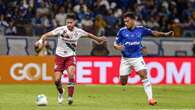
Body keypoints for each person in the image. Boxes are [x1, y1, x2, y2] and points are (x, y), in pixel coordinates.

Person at [35, 13, 106, 105]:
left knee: (71, 75)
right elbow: (45, 35)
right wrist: (41, 41)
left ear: (75, 22)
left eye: (71, 22)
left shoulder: (78, 31)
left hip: (70, 57)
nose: (69, 24)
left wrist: (98, 39)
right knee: (57, 80)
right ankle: (61, 93)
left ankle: (70, 97)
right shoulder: (61, 30)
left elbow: (88, 35)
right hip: (59, 57)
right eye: (67, 22)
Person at [113, 12, 174, 105]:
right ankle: (127, 73)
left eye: (127, 21)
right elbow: (115, 44)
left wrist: (165, 34)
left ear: (133, 20)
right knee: (123, 82)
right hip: (125, 59)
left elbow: (153, 33)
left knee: (144, 75)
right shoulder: (122, 31)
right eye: (124, 21)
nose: (125, 23)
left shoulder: (141, 29)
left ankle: (150, 99)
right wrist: (117, 47)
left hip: (137, 57)